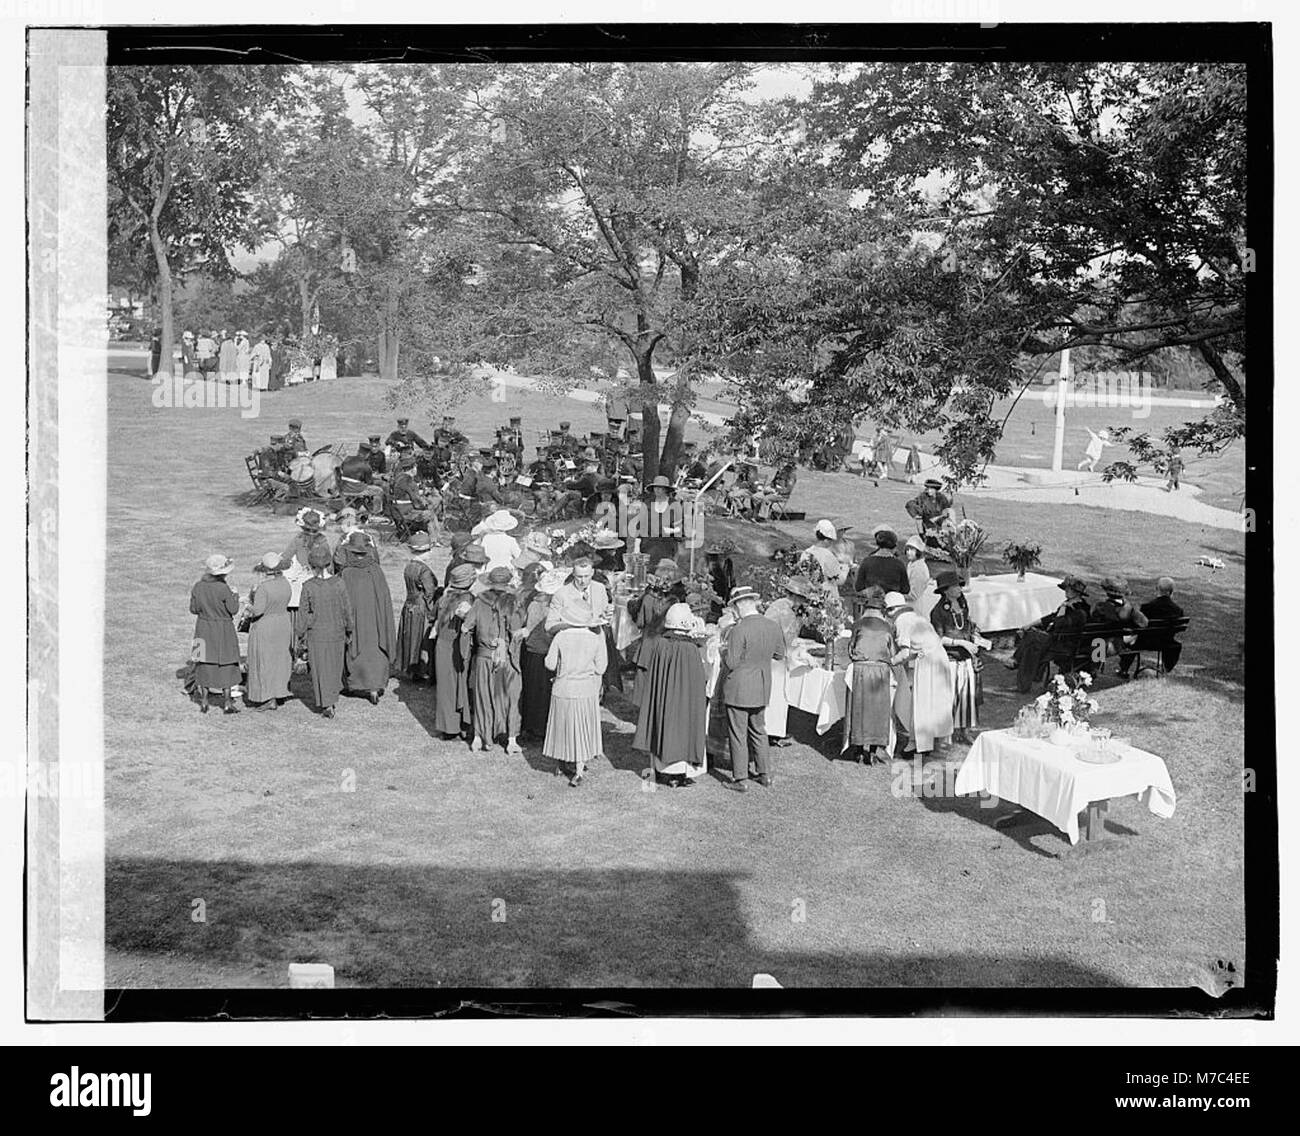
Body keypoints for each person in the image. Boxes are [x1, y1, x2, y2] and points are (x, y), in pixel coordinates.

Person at [633, 602, 708, 788]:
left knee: (662, 723)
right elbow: (698, 680)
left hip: (664, 698)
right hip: (683, 701)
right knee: (682, 728)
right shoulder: (689, 649)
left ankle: (660, 770)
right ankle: (679, 775)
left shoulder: (660, 644)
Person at [720, 586, 786, 793]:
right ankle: (764, 773)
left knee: (738, 733)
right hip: (761, 685)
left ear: (739, 606)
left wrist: (722, 650)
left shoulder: (740, 629)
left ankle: (740, 778)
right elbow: (779, 654)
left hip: (739, 686)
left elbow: (731, 662)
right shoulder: (772, 626)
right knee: (759, 730)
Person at [544, 593, 608, 787]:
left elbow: (549, 663)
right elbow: (601, 668)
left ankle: (562, 762)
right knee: (582, 729)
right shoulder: (595, 638)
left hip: (563, 687)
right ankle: (579, 769)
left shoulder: (560, 636)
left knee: (563, 726)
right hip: (585, 689)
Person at [460, 566, 525, 754]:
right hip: (507, 657)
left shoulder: (479, 602)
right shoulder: (512, 602)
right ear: (507, 583)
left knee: (482, 696)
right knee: (510, 696)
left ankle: (480, 737)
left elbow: (466, 627)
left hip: (483, 657)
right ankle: (511, 739)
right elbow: (515, 630)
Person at [844, 586, 907, 764]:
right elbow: (892, 651)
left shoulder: (858, 624)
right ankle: (872, 750)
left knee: (859, 708)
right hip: (880, 670)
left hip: (861, 669)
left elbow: (851, 648)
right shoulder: (887, 627)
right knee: (878, 710)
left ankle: (858, 749)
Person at [889, 591, 953, 759]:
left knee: (922, 702)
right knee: (933, 702)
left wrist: (890, 661)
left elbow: (904, 653)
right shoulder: (917, 617)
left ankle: (920, 745)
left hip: (928, 661)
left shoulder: (902, 621)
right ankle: (928, 741)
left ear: (893, 610)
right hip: (939, 657)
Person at [294, 544, 354, 718]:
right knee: (335, 668)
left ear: (312, 565)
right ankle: (331, 699)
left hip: (317, 634)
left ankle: (326, 703)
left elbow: (303, 613)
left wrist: (299, 634)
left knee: (320, 669)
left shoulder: (308, 586)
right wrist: (350, 629)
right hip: (337, 632)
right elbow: (347, 610)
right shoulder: (339, 583)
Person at [930, 570, 989, 744]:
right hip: (951, 658)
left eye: (959, 585)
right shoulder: (938, 612)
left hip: (967, 657)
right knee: (950, 696)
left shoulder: (963, 604)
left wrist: (976, 638)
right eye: (955, 586)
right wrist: (961, 643)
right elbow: (938, 639)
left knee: (967, 695)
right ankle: (945, 733)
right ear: (945, 590)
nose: (959, 589)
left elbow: (967, 627)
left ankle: (964, 731)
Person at [338, 530, 396, 704]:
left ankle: (356, 684)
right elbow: (385, 600)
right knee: (375, 654)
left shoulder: (346, 573)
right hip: (376, 625)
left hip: (356, 624)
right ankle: (374, 689)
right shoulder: (376, 570)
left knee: (357, 651)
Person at [1010, 575, 1091, 692]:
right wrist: (1030, 624)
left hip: (1064, 645)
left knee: (1033, 639)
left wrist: (1063, 609)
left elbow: (1058, 623)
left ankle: (1016, 660)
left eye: (1069, 589)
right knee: (1031, 639)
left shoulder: (1079, 611)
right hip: (1055, 641)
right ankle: (1021, 669)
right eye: (1066, 589)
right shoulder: (1069, 604)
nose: (1066, 592)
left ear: (1076, 593)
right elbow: (1051, 617)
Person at [628, 560, 687, 707]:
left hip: (648, 646)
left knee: (644, 687)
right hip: (666, 646)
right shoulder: (675, 602)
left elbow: (640, 622)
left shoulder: (647, 598)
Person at [189, 554, 242, 714]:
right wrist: (235, 595)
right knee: (226, 664)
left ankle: (204, 701)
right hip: (223, 630)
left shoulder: (198, 586)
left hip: (203, 628)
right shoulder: (223, 589)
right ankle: (227, 703)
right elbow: (233, 609)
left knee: (202, 663)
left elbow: (193, 609)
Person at [763, 575, 809, 747]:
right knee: (778, 695)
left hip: (768, 651)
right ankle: (773, 733)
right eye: (802, 598)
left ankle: (771, 731)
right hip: (775, 655)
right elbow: (787, 637)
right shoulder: (786, 611)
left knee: (773, 694)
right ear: (796, 596)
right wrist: (799, 653)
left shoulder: (778, 605)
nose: (803, 602)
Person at [245, 552, 294, 711]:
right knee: (280, 660)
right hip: (282, 623)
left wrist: (247, 604)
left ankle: (267, 697)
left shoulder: (264, 588)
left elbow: (258, 610)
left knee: (264, 661)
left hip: (266, 626)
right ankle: (279, 692)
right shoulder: (286, 583)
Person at [433, 564, 476, 739]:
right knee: (461, 685)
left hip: (443, 644)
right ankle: (462, 724)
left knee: (446, 687)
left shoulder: (445, 597)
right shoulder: (468, 599)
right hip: (459, 645)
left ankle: (448, 727)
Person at [519, 568, 564, 739]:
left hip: (534, 652)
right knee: (543, 692)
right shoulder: (547, 607)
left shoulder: (533, 604)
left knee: (534, 690)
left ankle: (532, 726)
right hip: (544, 652)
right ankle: (539, 728)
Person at [397, 531, 440, 681]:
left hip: (409, 604)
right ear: (426, 551)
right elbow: (429, 592)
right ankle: (422, 670)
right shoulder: (424, 570)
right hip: (421, 607)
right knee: (421, 638)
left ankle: (411, 669)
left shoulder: (409, 566)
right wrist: (432, 609)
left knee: (409, 637)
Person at [1093, 576, 1150, 680]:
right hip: (1122, 645)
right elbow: (1144, 623)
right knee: (1133, 639)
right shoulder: (1130, 609)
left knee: (1096, 640)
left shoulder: (1100, 607)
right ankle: (1124, 669)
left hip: (1102, 646)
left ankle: (1095, 670)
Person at [282, 508, 331, 611]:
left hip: (309, 573)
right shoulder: (321, 539)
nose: (311, 533)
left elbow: (286, 557)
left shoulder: (299, 538)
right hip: (312, 573)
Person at [1136, 576, 1185, 674]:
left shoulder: (1147, 607)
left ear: (1157, 589)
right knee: (1176, 645)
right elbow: (1179, 629)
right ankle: (1166, 670)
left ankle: (1123, 669)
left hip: (1146, 642)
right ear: (1171, 591)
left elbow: (1138, 626)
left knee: (1129, 641)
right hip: (1167, 643)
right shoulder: (1177, 610)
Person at [637, 475, 683, 566]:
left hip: (667, 546)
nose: (657, 490)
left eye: (660, 488)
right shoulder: (647, 504)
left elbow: (680, 529)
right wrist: (636, 548)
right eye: (655, 487)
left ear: (666, 489)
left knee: (664, 572)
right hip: (648, 545)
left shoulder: (674, 505)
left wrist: (670, 530)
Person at [854, 525, 910, 595]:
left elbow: (858, 587)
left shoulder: (866, 562)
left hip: (872, 602)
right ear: (894, 546)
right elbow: (905, 589)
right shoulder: (899, 564)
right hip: (893, 601)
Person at [389, 453, 434, 536]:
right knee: (430, 513)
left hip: (395, 511)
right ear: (412, 468)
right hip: (405, 512)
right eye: (415, 467)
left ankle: (418, 531)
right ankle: (432, 539)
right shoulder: (409, 481)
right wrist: (426, 504)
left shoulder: (398, 477)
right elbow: (417, 503)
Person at [802, 519, 849, 594]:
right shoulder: (827, 555)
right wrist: (845, 568)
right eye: (831, 540)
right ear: (827, 540)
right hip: (825, 594)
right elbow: (839, 580)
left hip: (808, 592)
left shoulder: (806, 552)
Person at [905, 479, 953, 551]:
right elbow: (911, 504)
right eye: (928, 488)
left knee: (947, 544)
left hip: (941, 527)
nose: (929, 491)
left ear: (936, 490)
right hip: (928, 528)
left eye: (931, 489)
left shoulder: (942, 498)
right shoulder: (922, 498)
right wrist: (921, 533)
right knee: (933, 544)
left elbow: (946, 513)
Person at [903, 535, 931, 603]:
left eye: (912, 550)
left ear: (918, 551)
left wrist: (897, 595)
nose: (908, 552)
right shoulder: (911, 564)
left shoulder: (919, 569)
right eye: (907, 550)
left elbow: (914, 596)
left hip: (916, 605)